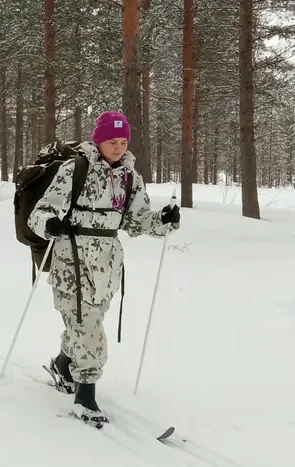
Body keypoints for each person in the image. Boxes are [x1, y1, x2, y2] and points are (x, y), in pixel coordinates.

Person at [27, 111, 180, 427]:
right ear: (99, 140)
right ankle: (85, 395)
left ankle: (62, 363)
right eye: (112, 141)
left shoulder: (129, 177)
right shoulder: (75, 170)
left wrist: (164, 221)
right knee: (87, 325)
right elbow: (38, 214)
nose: (118, 147)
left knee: (86, 321)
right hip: (72, 259)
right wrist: (51, 223)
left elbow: (138, 221)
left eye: (123, 142)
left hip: (108, 264)